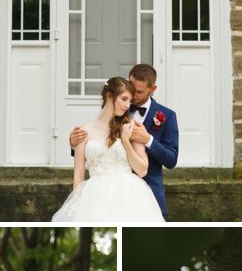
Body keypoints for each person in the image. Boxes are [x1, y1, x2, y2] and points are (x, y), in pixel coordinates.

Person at [54, 77, 166, 225]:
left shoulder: (132, 128)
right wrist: (77, 206)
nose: (127, 105)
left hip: (129, 194)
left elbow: (142, 170)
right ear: (109, 96)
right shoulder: (83, 131)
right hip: (94, 197)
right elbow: (78, 175)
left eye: (130, 101)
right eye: (124, 99)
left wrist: (126, 142)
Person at [124, 64, 180, 219]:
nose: (133, 95)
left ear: (153, 89)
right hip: (119, 195)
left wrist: (148, 140)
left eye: (139, 91)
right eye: (131, 88)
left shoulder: (167, 116)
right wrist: (77, 145)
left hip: (151, 196)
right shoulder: (118, 110)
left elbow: (171, 159)